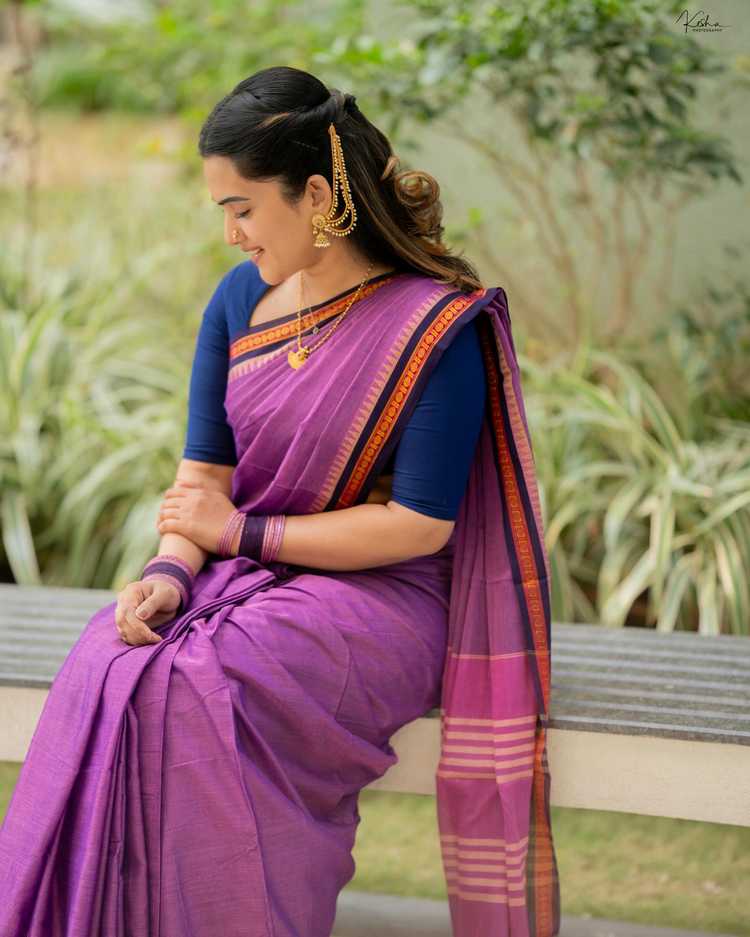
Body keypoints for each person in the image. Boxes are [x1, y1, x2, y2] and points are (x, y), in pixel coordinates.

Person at [0, 66, 560, 937]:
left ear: (319, 198)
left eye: (243, 208)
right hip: (243, 571)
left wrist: (239, 532)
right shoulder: (239, 301)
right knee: (111, 655)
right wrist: (168, 575)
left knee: (203, 677)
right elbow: (203, 481)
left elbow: (419, 524)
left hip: (383, 593)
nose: (230, 234)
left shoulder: (432, 325)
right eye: (221, 211)